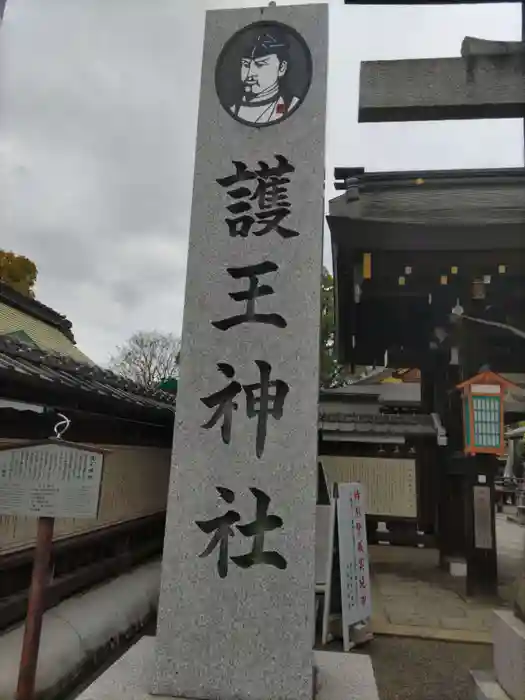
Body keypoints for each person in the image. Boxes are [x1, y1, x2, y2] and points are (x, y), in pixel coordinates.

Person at [231, 30, 299, 125]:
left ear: (281, 68)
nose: (250, 74)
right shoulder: (234, 108)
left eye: (260, 64)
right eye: (246, 64)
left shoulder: (291, 104)